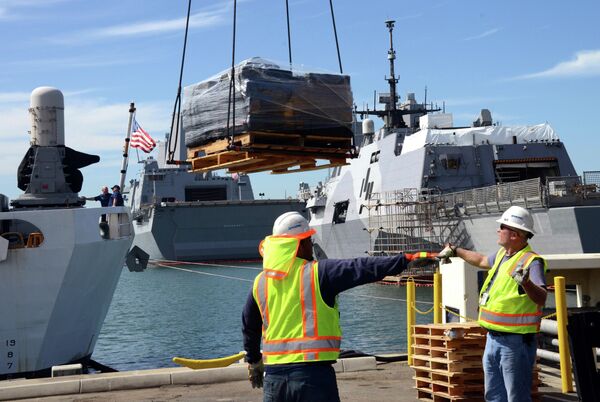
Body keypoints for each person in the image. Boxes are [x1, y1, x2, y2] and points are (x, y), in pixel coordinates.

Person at [241, 211, 416, 402]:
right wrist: (405, 261)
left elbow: (249, 326)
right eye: (308, 240)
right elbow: (361, 268)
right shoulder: (319, 272)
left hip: (274, 379)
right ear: (298, 245)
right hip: (312, 377)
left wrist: (254, 361)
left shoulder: (260, 283)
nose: (311, 244)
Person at [437, 206, 547, 402]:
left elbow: (541, 297)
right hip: (493, 339)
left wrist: (526, 282)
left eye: (502, 227)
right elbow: (479, 260)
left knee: (516, 397)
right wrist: (455, 250)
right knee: (494, 396)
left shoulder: (532, 261)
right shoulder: (502, 256)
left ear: (514, 234)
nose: (498, 230)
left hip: (515, 343)